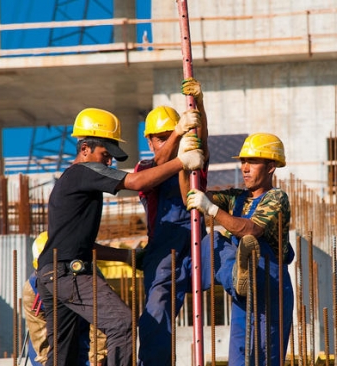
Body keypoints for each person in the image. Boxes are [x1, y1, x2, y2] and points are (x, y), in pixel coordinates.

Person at [36, 107, 204, 366]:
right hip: (69, 274)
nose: (108, 163)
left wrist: (126, 256)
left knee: (63, 356)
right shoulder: (84, 172)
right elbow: (138, 181)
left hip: (52, 274)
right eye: (105, 155)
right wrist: (182, 161)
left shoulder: (73, 184)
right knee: (122, 323)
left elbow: (78, 244)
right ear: (85, 149)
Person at [185, 132, 295, 366]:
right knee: (239, 357)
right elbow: (190, 195)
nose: (245, 167)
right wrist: (185, 164)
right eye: (243, 162)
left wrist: (212, 210)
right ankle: (235, 277)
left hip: (269, 288)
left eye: (252, 162)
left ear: (271, 167)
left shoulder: (276, 198)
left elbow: (251, 230)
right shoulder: (236, 198)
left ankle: (237, 275)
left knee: (263, 357)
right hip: (243, 292)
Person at [135, 78, 209, 365]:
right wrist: (179, 133)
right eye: (162, 137)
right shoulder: (145, 169)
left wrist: (199, 106)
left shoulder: (193, 160)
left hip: (198, 242)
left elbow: (203, 140)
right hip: (164, 253)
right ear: (150, 140)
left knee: (230, 255)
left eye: (171, 134)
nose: (168, 141)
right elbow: (158, 165)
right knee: (157, 308)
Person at [23, 231, 107, 366]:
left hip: (84, 332)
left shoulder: (89, 277)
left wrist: (97, 357)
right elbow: (39, 335)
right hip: (52, 336)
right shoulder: (31, 291)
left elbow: (101, 321)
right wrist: (48, 362)